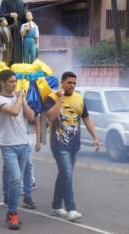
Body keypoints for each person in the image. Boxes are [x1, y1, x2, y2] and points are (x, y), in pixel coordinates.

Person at [45, 71, 100, 221]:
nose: (72, 85)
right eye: (69, 82)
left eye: (74, 83)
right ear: (62, 82)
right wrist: (60, 99)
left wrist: (95, 137)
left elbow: (87, 119)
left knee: (64, 175)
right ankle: (71, 209)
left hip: (75, 145)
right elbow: (50, 116)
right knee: (67, 175)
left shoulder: (79, 99)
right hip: (59, 144)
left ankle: (56, 206)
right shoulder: (52, 97)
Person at [0, 69, 35, 230]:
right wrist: (20, 97)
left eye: (15, 81)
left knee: (15, 180)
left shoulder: (19, 99)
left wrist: (23, 101)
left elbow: (31, 117)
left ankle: (10, 204)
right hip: (8, 145)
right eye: (11, 81)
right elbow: (14, 112)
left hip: (24, 143)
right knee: (16, 179)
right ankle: (12, 213)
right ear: (2, 82)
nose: (14, 84)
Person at [0, 0, 26, 64]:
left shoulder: (21, 1)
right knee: (9, 50)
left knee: (18, 50)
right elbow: (0, 16)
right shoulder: (5, 0)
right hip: (9, 30)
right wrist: (10, 15)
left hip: (19, 31)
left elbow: (23, 16)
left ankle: (18, 68)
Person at [21, 114, 42, 207]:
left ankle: (28, 186)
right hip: (18, 136)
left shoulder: (34, 104)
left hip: (29, 136)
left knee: (28, 162)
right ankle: (24, 184)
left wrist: (38, 142)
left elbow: (38, 124)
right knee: (24, 163)